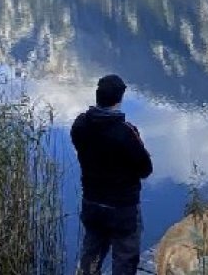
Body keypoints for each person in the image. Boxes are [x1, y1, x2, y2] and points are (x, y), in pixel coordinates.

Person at [71, 74, 153, 275]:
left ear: (97, 96)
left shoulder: (80, 125)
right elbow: (145, 169)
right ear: (120, 99)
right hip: (122, 208)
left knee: (90, 255)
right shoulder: (126, 132)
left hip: (92, 202)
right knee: (124, 258)